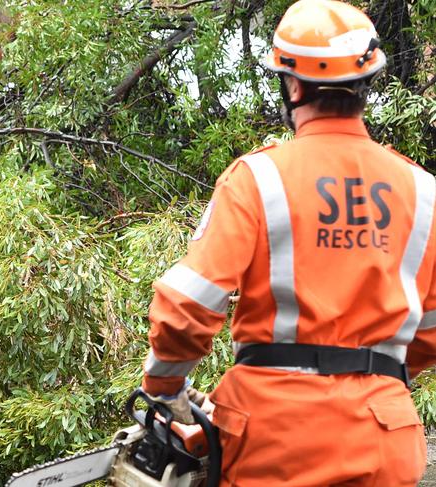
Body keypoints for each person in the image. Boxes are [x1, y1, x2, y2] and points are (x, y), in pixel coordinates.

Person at [140, 0, 435, 485]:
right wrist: (376, 377)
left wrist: (165, 385)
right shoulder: (424, 190)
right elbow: (430, 332)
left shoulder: (257, 178)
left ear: (293, 85)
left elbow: (188, 301)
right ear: (365, 85)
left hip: (278, 438)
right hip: (386, 436)